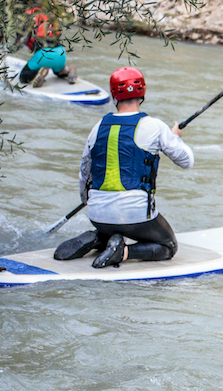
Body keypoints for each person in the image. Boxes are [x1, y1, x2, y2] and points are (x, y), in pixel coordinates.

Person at [53, 67, 193, 268]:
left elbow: (84, 171)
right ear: (142, 93)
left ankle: (98, 239)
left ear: (113, 94)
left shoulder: (98, 126)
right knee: (168, 246)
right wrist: (175, 138)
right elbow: (187, 161)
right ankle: (123, 251)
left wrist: (87, 201)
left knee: (112, 225)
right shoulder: (154, 126)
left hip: (97, 214)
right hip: (135, 216)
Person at [17, 3, 77, 88]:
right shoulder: (51, 15)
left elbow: (22, 38)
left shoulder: (28, 16)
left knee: (24, 78)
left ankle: (43, 70)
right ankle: (68, 68)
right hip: (60, 52)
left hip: (42, 54)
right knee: (59, 72)